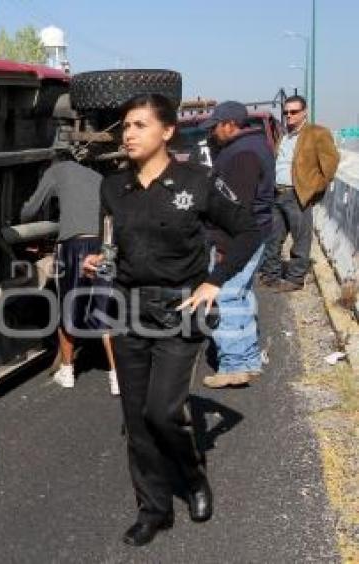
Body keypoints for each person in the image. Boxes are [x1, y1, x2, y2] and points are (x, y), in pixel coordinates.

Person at [83, 94, 260, 546]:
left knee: (163, 412)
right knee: (135, 420)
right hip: (128, 312)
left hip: (180, 312)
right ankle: (154, 509)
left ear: (167, 132)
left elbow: (248, 231)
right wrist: (99, 261)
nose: (128, 134)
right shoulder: (112, 188)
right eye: (125, 126)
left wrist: (215, 281)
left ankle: (193, 478)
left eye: (140, 125)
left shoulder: (198, 180)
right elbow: (113, 247)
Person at [20, 158, 119, 395]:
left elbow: (31, 210)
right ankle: (116, 377)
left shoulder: (56, 169)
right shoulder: (97, 176)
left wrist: (21, 223)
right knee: (105, 308)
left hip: (73, 247)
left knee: (68, 306)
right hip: (104, 245)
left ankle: (67, 372)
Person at [199, 101, 274, 388]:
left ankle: (233, 365)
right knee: (241, 294)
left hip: (238, 236)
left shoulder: (242, 154)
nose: (212, 134)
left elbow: (236, 208)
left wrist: (223, 247)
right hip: (255, 232)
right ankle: (249, 359)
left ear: (230, 124)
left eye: (215, 127)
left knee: (226, 296)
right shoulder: (254, 146)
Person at [259, 95, 340, 291]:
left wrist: (313, 187)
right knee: (273, 237)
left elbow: (330, 165)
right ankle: (271, 275)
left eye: (294, 112)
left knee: (300, 240)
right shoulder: (285, 136)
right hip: (277, 193)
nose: (289, 116)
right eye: (286, 112)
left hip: (298, 195)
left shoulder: (317, 133)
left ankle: (295, 279)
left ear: (304, 112)